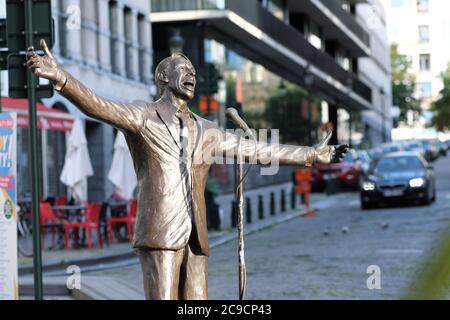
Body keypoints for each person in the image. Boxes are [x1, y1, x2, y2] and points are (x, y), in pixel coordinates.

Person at [26, 40, 348, 300]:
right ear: (164, 78)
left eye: (194, 71)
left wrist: (312, 155)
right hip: (160, 232)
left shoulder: (207, 130)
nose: (192, 75)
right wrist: (61, 78)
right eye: (184, 69)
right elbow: (99, 105)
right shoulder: (143, 116)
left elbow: (259, 150)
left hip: (197, 236)